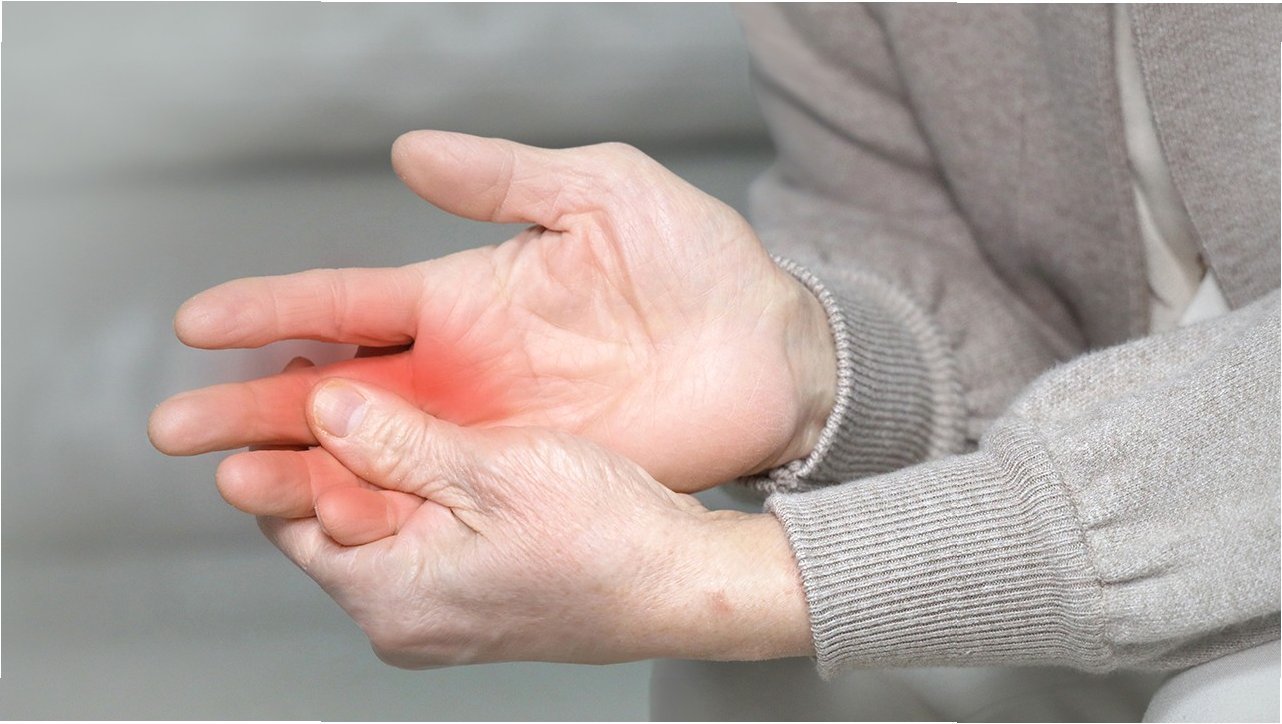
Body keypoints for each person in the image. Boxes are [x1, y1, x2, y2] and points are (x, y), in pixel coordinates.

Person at [148, 4, 1280, 720]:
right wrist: (811, 367)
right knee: (762, 690)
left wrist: (731, 581)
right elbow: (932, 234)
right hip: (1148, 511)